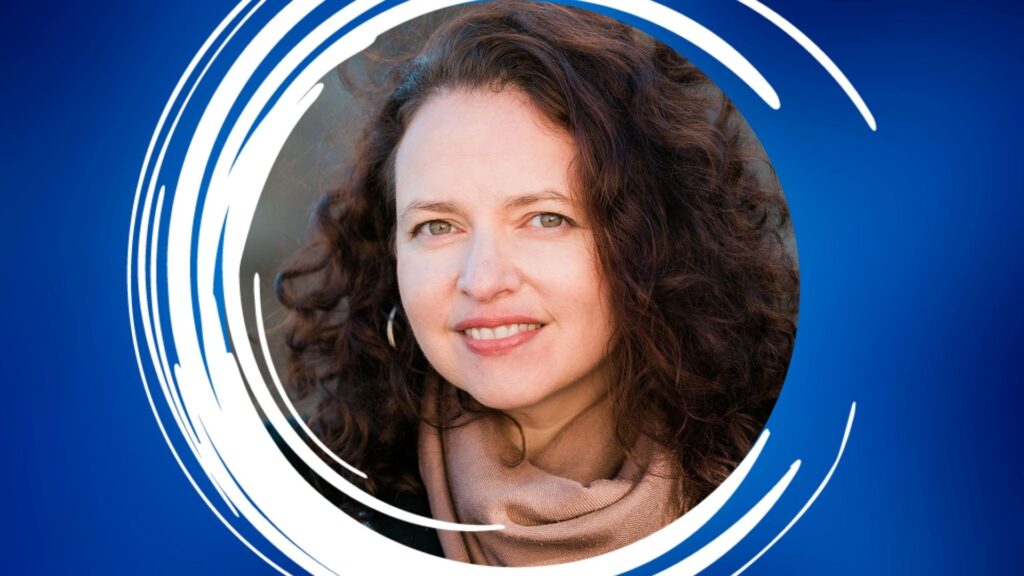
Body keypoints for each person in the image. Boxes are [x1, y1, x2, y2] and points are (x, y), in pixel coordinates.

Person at [275, 0, 798, 566]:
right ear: (389, 254)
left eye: (547, 218)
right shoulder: (285, 507)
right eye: (437, 226)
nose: (483, 280)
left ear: (656, 241)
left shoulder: (803, 476)